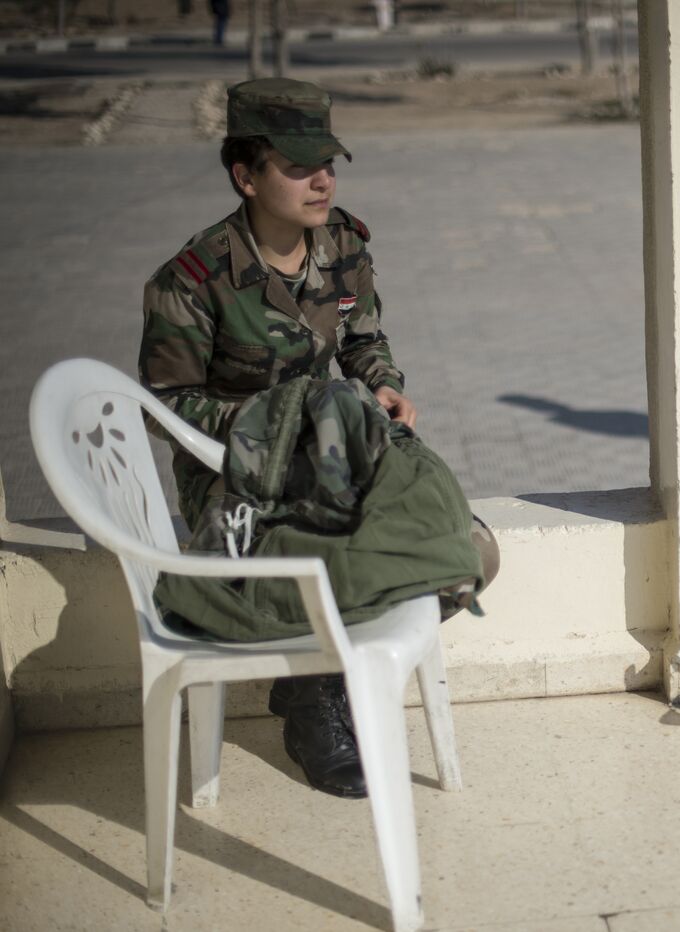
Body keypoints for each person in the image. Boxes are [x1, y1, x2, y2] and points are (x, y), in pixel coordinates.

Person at [139, 78, 422, 798]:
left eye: (326, 160)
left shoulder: (343, 244)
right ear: (246, 175)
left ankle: (311, 680)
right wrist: (266, 424)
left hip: (322, 450)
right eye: (297, 166)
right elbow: (164, 404)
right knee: (333, 528)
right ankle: (313, 704)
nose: (321, 178)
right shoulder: (194, 280)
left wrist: (383, 382)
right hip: (228, 477)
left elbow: (363, 338)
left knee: (419, 514)